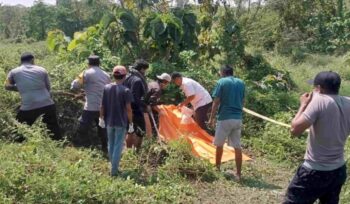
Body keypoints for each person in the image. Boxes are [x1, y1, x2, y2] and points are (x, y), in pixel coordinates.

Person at [284, 71, 349, 204]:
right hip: (338, 170)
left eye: (314, 87)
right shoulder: (348, 102)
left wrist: (303, 104)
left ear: (319, 88)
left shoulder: (320, 100)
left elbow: (294, 130)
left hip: (315, 170)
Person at [4, 52, 61, 140]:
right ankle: (58, 145)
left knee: (19, 130)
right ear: (32, 60)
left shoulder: (13, 72)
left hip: (29, 106)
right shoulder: (42, 70)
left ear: (21, 61)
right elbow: (48, 88)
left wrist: (20, 88)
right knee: (53, 129)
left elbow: (7, 86)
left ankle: (18, 145)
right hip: (47, 104)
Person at [208, 65, 245, 181]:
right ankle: (238, 174)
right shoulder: (241, 83)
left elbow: (216, 101)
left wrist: (211, 118)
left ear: (222, 72)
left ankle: (217, 168)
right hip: (237, 118)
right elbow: (243, 101)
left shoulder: (222, 82)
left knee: (219, 144)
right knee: (237, 146)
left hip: (224, 117)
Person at [71, 55, 111, 152]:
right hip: (103, 107)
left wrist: (81, 88)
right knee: (102, 127)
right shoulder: (106, 75)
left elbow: (74, 85)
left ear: (88, 63)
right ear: (99, 63)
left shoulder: (85, 73)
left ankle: (83, 146)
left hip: (91, 106)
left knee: (83, 126)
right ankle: (105, 147)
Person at [100, 66, 133, 177]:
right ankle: (114, 171)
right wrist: (131, 123)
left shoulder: (106, 88)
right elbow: (128, 109)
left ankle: (113, 167)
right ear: (124, 76)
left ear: (114, 75)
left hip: (109, 121)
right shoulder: (126, 90)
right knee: (118, 146)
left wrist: (101, 118)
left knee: (111, 144)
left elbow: (102, 106)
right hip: (121, 122)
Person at [123, 59, 150, 150]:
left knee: (130, 131)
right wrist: (145, 105)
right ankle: (137, 151)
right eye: (145, 70)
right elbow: (135, 98)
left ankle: (129, 151)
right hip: (135, 109)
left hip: (125, 108)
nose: (145, 73)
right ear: (142, 69)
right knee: (141, 131)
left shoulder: (127, 77)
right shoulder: (137, 80)